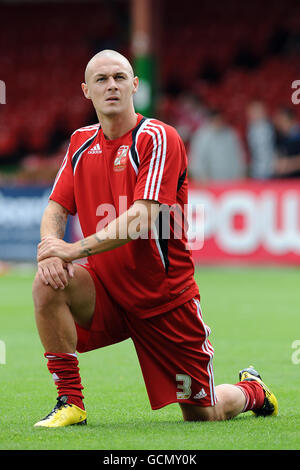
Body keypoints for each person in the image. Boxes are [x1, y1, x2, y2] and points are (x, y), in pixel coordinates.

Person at [32, 50, 278, 427]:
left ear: (135, 85)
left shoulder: (159, 137)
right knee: (48, 283)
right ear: (86, 91)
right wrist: (49, 250)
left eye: (119, 77)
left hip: (163, 300)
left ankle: (253, 391)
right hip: (107, 293)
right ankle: (70, 402)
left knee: (203, 413)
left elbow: (144, 217)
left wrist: (71, 248)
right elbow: (56, 207)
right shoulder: (80, 141)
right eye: (101, 79)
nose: (111, 85)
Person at [188, 108, 246, 182]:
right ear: (210, 121)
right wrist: (200, 176)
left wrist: (240, 173)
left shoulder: (231, 134)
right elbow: (196, 159)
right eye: (215, 120)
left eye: (220, 120)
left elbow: (239, 155)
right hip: (209, 183)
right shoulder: (201, 136)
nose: (218, 123)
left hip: (231, 181)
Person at [246, 100, 276, 179]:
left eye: (257, 110)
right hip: (257, 170)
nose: (254, 114)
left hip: (271, 170)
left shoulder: (272, 128)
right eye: (252, 111)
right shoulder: (251, 128)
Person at [273, 106, 300, 178]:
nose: (280, 123)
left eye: (283, 120)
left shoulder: (297, 136)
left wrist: (289, 165)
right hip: (285, 181)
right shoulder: (279, 137)